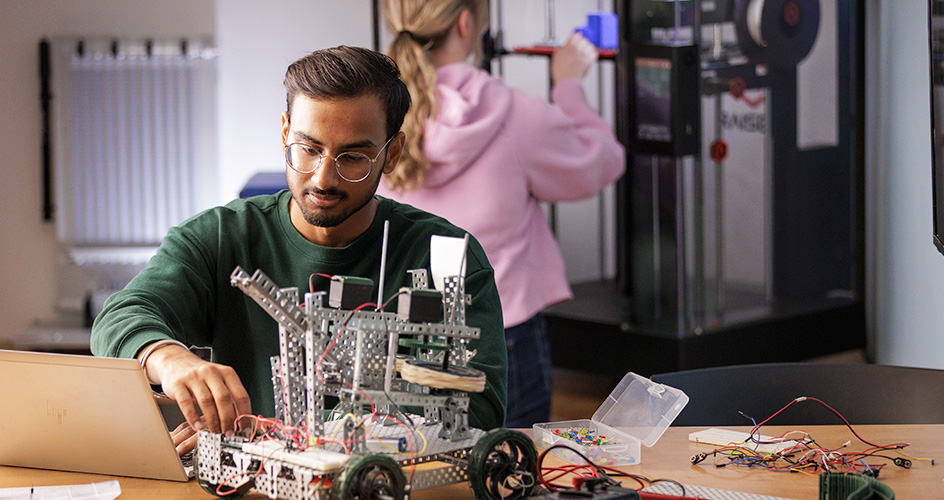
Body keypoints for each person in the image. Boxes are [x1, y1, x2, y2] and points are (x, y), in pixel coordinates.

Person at [90, 46, 507, 455]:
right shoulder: (221, 236)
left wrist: (267, 441)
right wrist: (167, 357)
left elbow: (480, 408)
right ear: (286, 131)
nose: (323, 178)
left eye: (353, 156)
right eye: (309, 149)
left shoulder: (449, 258)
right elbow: (120, 317)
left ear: (392, 153)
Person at [379, 0, 626, 427]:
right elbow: (602, 161)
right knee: (513, 473)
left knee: (427, 476)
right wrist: (568, 83)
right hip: (501, 333)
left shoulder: (377, 115)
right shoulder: (512, 114)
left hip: (403, 337)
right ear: (465, 22)